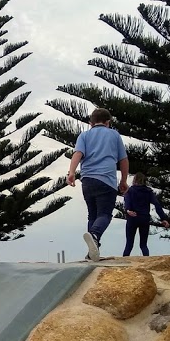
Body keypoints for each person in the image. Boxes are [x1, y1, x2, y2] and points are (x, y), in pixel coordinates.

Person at [66, 108, 129, 261]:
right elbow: (123, 160)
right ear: (108, 122)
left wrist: (71, 172)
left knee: (92, 215)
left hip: (87, 180)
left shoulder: (84, 135)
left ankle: (92, 253)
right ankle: (94, 236)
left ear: (91, 123)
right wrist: (123, 180)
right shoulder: (114, 134)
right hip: (106, 180)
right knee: (104, 214)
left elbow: (78, 153)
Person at [121, 173, 170, 257]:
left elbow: (127, 202)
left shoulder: (130, 191)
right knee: (143, 245)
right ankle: (146, 262)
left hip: (132, 218)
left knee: (129, 244)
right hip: (144, 219)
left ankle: (123, 263)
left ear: (134, 180)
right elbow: (157, 204)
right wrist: (163, 218)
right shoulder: (148, 192)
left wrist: (128, 210)